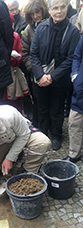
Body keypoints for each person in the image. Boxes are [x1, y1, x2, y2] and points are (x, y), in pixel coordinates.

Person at [30, 0, 80, 151]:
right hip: (41, 77)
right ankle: (44, 133)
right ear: (50, 11)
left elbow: (71, 58)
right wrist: (40, 75)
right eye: (55, 8)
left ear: (67, 8)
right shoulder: (41, 28)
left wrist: (52, 76)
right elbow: (34, 53)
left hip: (60, 79)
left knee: (57, 108)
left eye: (62, 7)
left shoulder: (72, 31)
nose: (59, 11)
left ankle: (56, 135)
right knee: (42, 107)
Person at [21, 0, 49, 127]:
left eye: (38, 12)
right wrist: (33, 69)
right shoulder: (28, 30)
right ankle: (39, 126)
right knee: (37, 101)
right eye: (32, 14)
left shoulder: (51, 25)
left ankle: (51, 126)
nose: (36, 16)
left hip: (51, 70)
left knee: (51, 100)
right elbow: (25, 53)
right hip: (35, 73)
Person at [63, 35, 83, 163]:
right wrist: (75, 76)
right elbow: (77, 56)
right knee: (74, 122)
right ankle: (74, 155)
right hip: (80, 90)